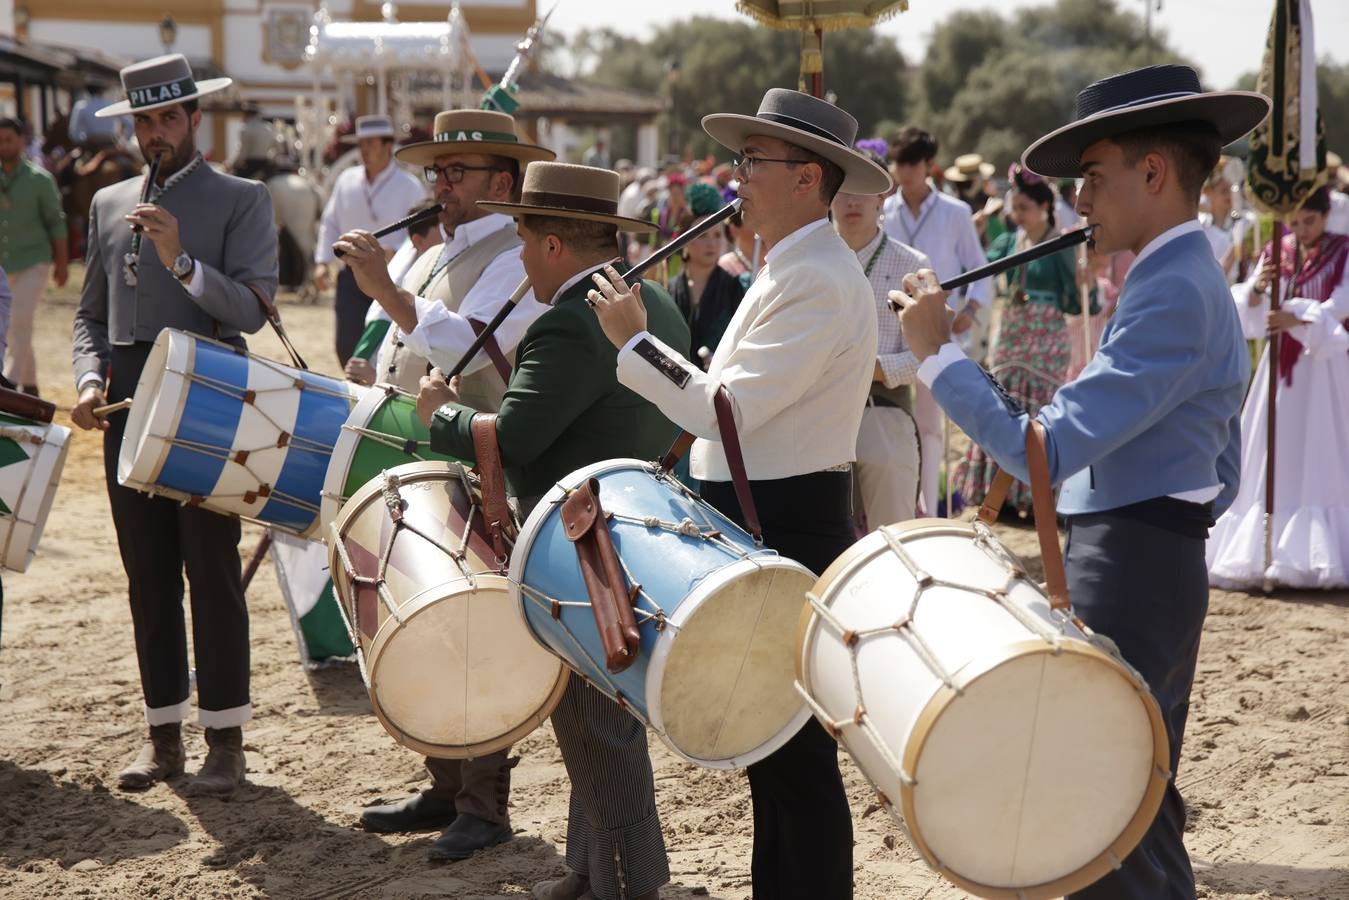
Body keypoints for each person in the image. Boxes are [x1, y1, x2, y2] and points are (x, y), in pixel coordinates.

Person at [894, 64, 1269, 900]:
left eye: (1092, 179)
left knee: (1107, 802)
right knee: (1126, 797)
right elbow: (1222, 462)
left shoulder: (1172, 286)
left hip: (1133, 559)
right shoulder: (1171, 276)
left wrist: (938, 356)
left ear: (1153, 172)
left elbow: (1046, 451)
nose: (1080, 202)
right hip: (1142, 551)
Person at [589, 88, 888, 900]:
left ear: (806, 177)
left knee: (793, 756)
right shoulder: (789, 265)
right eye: (740, 160)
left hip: (789, 522)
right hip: (759, 521)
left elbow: (725, 409)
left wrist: (634, 342)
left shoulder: (817, 277)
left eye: (753, 162)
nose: (737, 177)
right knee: (768, 750)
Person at [413, 160, 689, 900]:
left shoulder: (567, 323)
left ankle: (629, 883)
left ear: (557, 247)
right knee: (588, 722)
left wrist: (438, 411)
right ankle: (587, 869)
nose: (523, 256)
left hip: (582, 552)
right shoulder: (654, 302)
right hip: (637, 532)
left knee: (599, 730)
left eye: (526, 238)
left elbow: (515, 437)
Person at [333, 109, 556, 862]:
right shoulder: (436, 253)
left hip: (474, 462)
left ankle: (483, 805)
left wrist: (384, 289)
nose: (440, 185)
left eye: (455, 173)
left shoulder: (517, 256)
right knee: (424, 625)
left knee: (471, 633)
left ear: (501, 181)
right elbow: (401, 336)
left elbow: (470, 346)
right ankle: (444, 781)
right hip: (413, 463)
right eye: (435, 172)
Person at [69, 53, 278, 797]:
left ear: (194, 118)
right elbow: (90, 316)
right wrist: (90, 379)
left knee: (210, 570)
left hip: (208, 396)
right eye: (143, 122)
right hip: (128, 399)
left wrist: (179, 258)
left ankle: (226, 739)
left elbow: (253, 310)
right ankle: (163, 737)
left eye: (167, 118)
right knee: (147, 576)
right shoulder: (107, 202)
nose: (155, 134)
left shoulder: (242, 197)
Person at [1208, 186, 1349, 589]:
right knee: (1274, 448)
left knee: (1322, 448)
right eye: (1296, 221)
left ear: (1326, 216)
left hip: (1323, 366)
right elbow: (1249, 307)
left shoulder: (1342, 251)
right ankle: (1268, 547)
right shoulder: (1277, 250)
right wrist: (1256, 289)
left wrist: (1296, 317)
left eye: (1311, 221)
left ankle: (1321, 549)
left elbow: (1341, 304)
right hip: (1279, 369)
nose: (1303, 230)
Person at [952, 163, 1089, 516]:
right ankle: (1004, 498)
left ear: (1044, 207)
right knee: (1005, 405)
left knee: (1038, 411)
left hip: (1045, 338)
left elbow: (1074, 302)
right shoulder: (1008, 240)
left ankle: (1035, 497)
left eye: (1024, 208)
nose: (1017, 214)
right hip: (1011, 332)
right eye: (1015, 207)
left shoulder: (1060, 245)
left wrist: (1082, 280)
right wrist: (977, 234)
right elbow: (980, 269)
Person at [882, 127, 992, 515]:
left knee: (930, 426)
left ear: (929, 166)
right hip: (887, 326)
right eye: (899, 162)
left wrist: (970, 312)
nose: (904, 171)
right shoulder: (884, 209)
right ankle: (900, 507)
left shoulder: (955, 212)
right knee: (896, 419)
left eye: (912, 163)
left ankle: (930, 512)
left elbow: (979, 268)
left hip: (934, 327)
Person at [833, 148, 927, 527]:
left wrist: (871, 369)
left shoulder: (912, 265)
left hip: (883, 407)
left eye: (864, 189)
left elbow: (924, 353)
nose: (852, 200)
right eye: (843, 189)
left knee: (892, 534)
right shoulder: (806, 261)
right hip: (815, 414)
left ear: (882, 195)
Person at [314, 114, 426, 366]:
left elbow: (423, 233)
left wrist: (395, 252)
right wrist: (322, 262)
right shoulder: (346, 180)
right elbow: (330, 221)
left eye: (371, 144)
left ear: (388, 146)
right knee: (346, 346)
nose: (364, 150)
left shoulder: (409, 186)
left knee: (385, 344)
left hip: (394, 278)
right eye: (361, 144)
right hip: (350, 276)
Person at [0, 116, 67, 396]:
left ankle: (8, 385)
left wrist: (62, 264)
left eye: (9, 140)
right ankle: (30, 387)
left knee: (19, 321)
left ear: (22, 142)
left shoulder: (41, 180)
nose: (3, 146)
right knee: (15, 324)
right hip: (3, 266)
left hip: (34, 261)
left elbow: (56, 222)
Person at [344, 199, 444, 385]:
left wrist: (375, 376)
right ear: (418, 241)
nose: (449, 235)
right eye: (442, 229)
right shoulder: (408, 271)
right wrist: (374, 374)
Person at [669, 181, 746, 366]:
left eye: (717, 235)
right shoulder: (670, 288)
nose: (711, 244)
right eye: (702, 235)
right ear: (685, 240)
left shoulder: (733, 287)